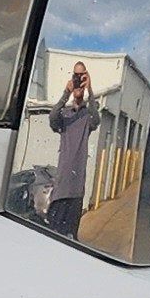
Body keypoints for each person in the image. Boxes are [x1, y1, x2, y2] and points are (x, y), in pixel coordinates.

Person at [45, 61, 99, 239]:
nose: (78, 81)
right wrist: (66, 93)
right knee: (52, 235)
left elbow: (96, 119)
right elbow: (52, 118)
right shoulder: (65, 115)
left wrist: (89, 90)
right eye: (75, 76)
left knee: (70, 238)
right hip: (61, 188)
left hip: (76, 190)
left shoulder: (87, 116)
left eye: (81, 76)